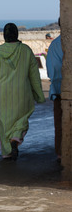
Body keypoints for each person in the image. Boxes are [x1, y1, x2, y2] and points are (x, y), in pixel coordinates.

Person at [0, 23, 46, 160]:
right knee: (21, 120)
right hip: (22, 94)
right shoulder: (26, 50)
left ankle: (7, 152)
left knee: (4, 124)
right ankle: (16, 138)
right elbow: (34, 76)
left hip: (3, 96)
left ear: (4, 36)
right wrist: (39, 95)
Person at [46, 18, 63, 163]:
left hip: (58, 90)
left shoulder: (54, 45)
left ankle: (60, 153)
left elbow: (51, 71)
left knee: (59, 123)